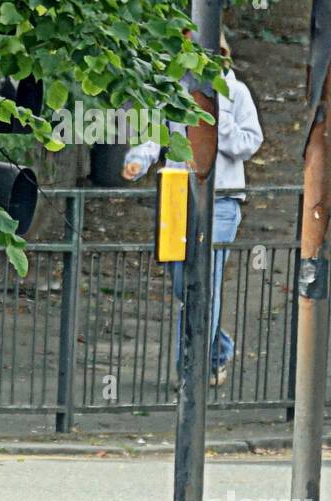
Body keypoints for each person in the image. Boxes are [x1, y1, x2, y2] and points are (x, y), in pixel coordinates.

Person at [123, 30, 262, 387]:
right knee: (184, 282)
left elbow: (251, 141)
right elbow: (155, 135)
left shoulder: (237, 91)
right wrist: (138, 160)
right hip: (178, 195)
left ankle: (191, 368)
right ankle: (218, 348)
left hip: (223, 200)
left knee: (205, 281)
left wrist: (220, 124)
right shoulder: (174, 89)